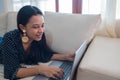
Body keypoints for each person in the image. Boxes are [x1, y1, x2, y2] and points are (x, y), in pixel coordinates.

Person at [0, 5, 75, 80]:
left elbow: (43, 55)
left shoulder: (38, 36)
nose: (41, 31)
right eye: (35, 27)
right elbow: (11, 72)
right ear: (22, 27)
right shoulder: (10, 39)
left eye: (42, 25)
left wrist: (65, 56)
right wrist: (40, 69)